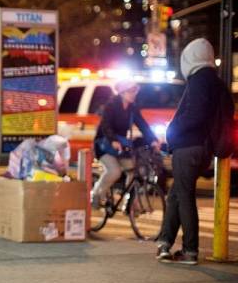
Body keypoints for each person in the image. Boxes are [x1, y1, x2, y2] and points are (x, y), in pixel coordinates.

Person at [156, 38, 220, 265]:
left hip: (188, 147)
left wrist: (172, 132)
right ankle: (164, 242)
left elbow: (195, 114)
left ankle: (190, 250)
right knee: (176, 194)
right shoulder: (216, 81)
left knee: (184, 197)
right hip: (204, 148)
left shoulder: (199, 81)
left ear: (190, 58)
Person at [91, 79, 160, 208]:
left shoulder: (132, 108)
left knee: (133, 171)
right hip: (104, 145)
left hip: (121, 146)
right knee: (114, 171)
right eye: (131, 91)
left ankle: (129, 203)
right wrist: (113, 140)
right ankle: (97, 193)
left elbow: (143, 125)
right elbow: (106, 126)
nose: (134, 94)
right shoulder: (111, 105)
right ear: (122, 92)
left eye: (135, 91)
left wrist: (153, 140)